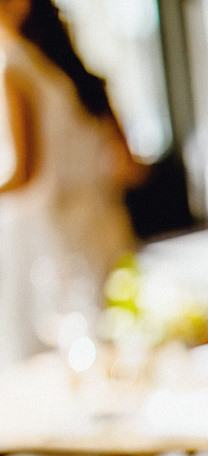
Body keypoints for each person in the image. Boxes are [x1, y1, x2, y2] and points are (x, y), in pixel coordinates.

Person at [0, 0, 136, 363]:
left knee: (44, 360)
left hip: (44, 237)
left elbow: (25, 175)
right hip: (100, 223)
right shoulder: (74, 76)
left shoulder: (15, 69)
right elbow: (132, 168)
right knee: (109, 350)